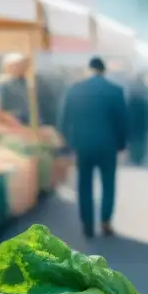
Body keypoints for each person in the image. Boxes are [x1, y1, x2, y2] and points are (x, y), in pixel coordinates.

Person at [59, 57, 128, 238]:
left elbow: (64, 120)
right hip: (108, 145)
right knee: (108, 184)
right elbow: (123, 121)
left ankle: (87, 224)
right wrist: (121, 145)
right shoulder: (115, 90)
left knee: (84, 184)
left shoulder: (75, 90)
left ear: (88, 70)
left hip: (83, 145)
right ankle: (106, 221)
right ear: (104, 71)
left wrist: (68, 144)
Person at [125, 74, 148, 165]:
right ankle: (139, 157)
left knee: (133, 138)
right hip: (143, 114)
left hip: (132, 114)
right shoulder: (145, 88)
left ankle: (133, 156)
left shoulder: (130, 86)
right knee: (141, 138)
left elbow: (127, 101)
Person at [0, 54, 31, 123]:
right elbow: (2, 106)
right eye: (20, 65)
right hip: (14, 121)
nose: (23, 68)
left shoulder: (25, 82)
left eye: (24, 65)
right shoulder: (4, 83)